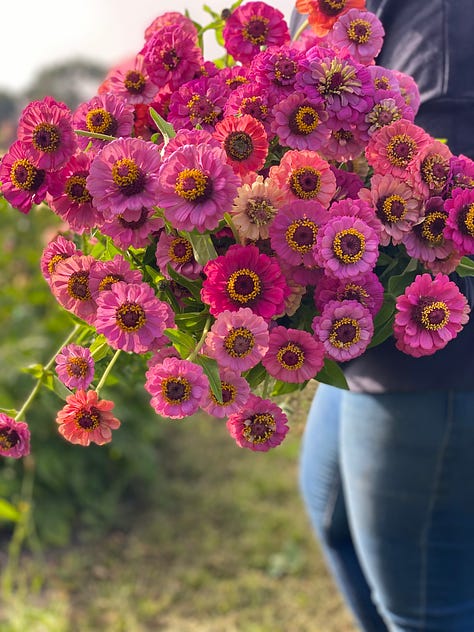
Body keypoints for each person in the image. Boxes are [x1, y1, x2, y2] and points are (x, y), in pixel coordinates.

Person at [291, 2, 474, 631]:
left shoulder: (446, 33)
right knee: (332, 515)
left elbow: (438, 202)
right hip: (367, 341)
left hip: (435, 363)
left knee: (426, 609)